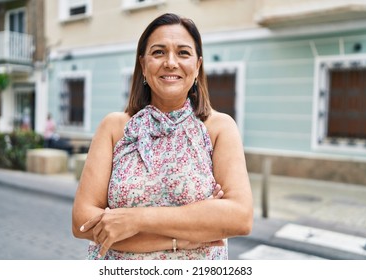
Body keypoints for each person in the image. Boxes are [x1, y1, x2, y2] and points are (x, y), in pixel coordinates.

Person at [72, 13, 253, 260]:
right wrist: (188, 236)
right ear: (143, 65)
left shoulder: (219, 128)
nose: (170, 62)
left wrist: (135, 219)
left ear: (197, 66)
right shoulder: (114, 128)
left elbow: (240, 218)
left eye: (183, 53)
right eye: (158, 52)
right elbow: (82, 223)